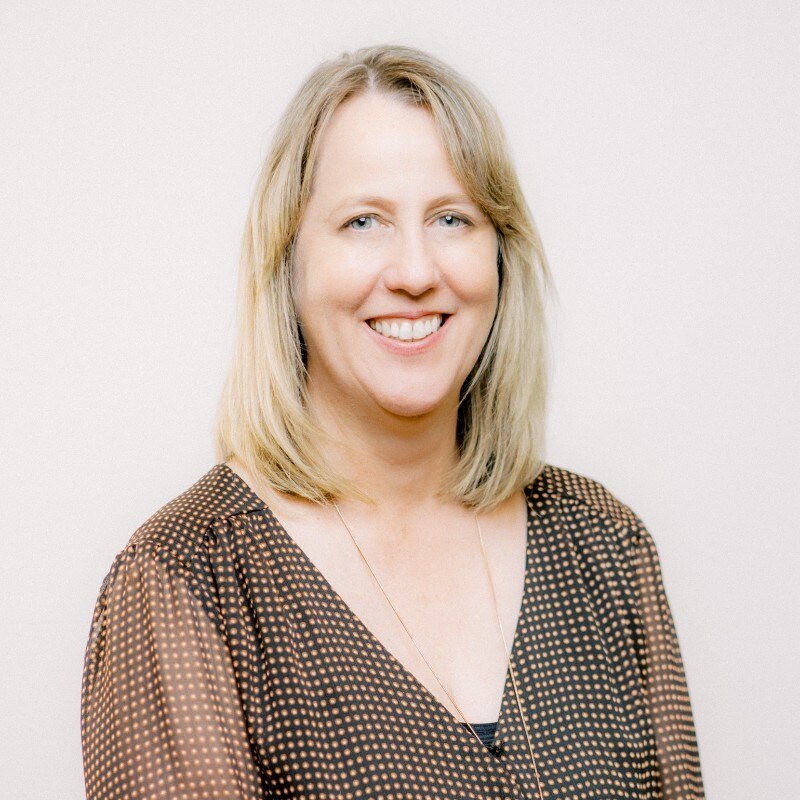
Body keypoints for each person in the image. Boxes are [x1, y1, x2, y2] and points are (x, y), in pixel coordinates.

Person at [80, 44, 705, 799]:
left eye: (452, 218)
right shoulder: (188, 579)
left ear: (499, 258)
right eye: (363, 222)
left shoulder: (604, 545)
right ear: (290, 264)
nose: (414, 272)